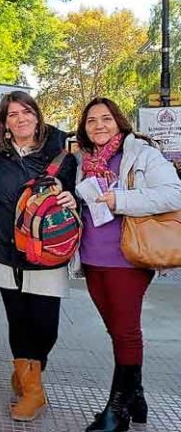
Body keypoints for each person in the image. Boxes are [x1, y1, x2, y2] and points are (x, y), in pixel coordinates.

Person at [74, 97, 181, 432]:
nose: (99, 126)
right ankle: (135, 396)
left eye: (106, 119)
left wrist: (121, 200)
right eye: (92, 121)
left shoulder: (142, 154)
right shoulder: (84, 162)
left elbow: (174, 194)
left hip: (129, 257)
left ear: (119, 121)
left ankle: (117, 409)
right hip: (92, 258)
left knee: (125, 330)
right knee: (116, 329)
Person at [0, 90, 77, 422]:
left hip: (48, 251)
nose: (20, 119)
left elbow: (81, 191)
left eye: (26, 112)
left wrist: (73, 199)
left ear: (37, 116)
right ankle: (32, 388)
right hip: (4, 251)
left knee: (46, 324)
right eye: (12, 115)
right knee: (18, 320)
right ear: (4, 124)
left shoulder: (62, 152)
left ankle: (30, 371)